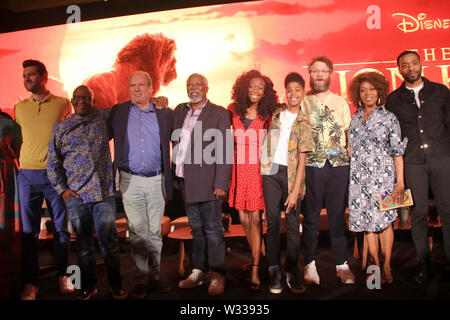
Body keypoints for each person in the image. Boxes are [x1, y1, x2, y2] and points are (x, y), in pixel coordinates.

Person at [47, 85, 128, 300]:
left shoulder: (103, 118)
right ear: (72, 101)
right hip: (76, 198)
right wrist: (62, 190)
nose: (81, 101)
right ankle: (89, 286)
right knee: (83, 247)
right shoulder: (61, 127)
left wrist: (158, 100)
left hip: (104, 195)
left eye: (86, 98)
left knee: (109, 244)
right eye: (77, 98)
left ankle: (116, 285)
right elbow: (53, 163)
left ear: (93, 100)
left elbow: (128, 107)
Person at [386, 50, 450, 284]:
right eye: (405, 65)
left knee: (448, 211)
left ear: (421, 64)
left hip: (442, 158)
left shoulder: (441, 91)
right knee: (419, 214)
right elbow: (393, 136)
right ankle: (425, 265)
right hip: (412, 162)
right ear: (399, 69)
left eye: (414, 63)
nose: (411, 68)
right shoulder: (393, 99)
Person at [108, 70, 173, 299]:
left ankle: (153, 275)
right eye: (132, 85)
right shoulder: (119, 111)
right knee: (137, 233)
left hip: (157, 180)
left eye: (140, 85)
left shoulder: (165, 114)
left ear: (150, 88)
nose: (136, 89)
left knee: (154, 232)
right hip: (129, 180)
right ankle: (142, 276)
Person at [14, 59, 74, 300]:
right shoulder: (20, 108)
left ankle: (63, 275)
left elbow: (70, 140)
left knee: (60, 229)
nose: (26, 79)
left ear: (44, 76)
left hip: (55, 177)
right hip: (27, 175)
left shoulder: (63, 104)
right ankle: (31, 283)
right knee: (28, 232)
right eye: (24, 75)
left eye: (31, 75)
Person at [173, 73, 232, 296]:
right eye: (190, 85)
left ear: (207, 88)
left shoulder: (218, 113)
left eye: (198, 85)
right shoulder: (180, 110)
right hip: (186, 182)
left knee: (214, 230)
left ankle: (217, 273)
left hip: (209, 183)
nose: (193, 88)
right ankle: (198, 270)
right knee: (196, 230)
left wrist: (221, 183)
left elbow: (225, 150)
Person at [347, 72, 407, 284]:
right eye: (363, 90)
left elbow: (397, 152)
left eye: (372, 89)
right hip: (359, 180)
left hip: (384, 179)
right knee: (368, 225)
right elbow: (350, 148)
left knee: (386, 222)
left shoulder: (389, 118)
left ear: (379, 91)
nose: (367, 94)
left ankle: (388, 266)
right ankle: (376, 267)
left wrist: (400, 182)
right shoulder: (355, 118)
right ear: (358, 94)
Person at [301, 56, 356, 285]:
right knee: (311, 218)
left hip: (338, 166)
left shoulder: (340, 102)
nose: (320, 75)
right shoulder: (302, 101)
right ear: (310, 74)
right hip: (311, 167)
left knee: (337, 218)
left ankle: (342, 265)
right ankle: (309, 265)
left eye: (324, 71)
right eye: (315, 71)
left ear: (331, 73)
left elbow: (349, 136)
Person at [260, 72, 313, 294]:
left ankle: (292, 271)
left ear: (303, 93)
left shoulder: (305, 121)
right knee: (272, 224)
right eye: (289, 89)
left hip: (292, 177)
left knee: (292, 226)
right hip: (270, 174)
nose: (293, 93)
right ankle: (274, 272)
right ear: (286, 92)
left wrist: (294, 191)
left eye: (297, 90)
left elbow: (303, 160)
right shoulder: (275, 114)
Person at [228, 69, 278, 290]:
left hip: (258, 170)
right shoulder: (233, 111)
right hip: (238, 169)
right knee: (245, 220)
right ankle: (263, 257)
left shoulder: (269, 114)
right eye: (252, 86)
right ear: (244, 88)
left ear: (265, 92)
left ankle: (256, 270)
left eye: (260, 87)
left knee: (256, 220)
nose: (255, 90)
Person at [0, 110, 22, 299]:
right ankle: (11, 279)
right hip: (7, 175)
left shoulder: (10, 125)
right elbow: (17, 150)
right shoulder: (11, 125)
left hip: (5, 175)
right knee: (9, 227)